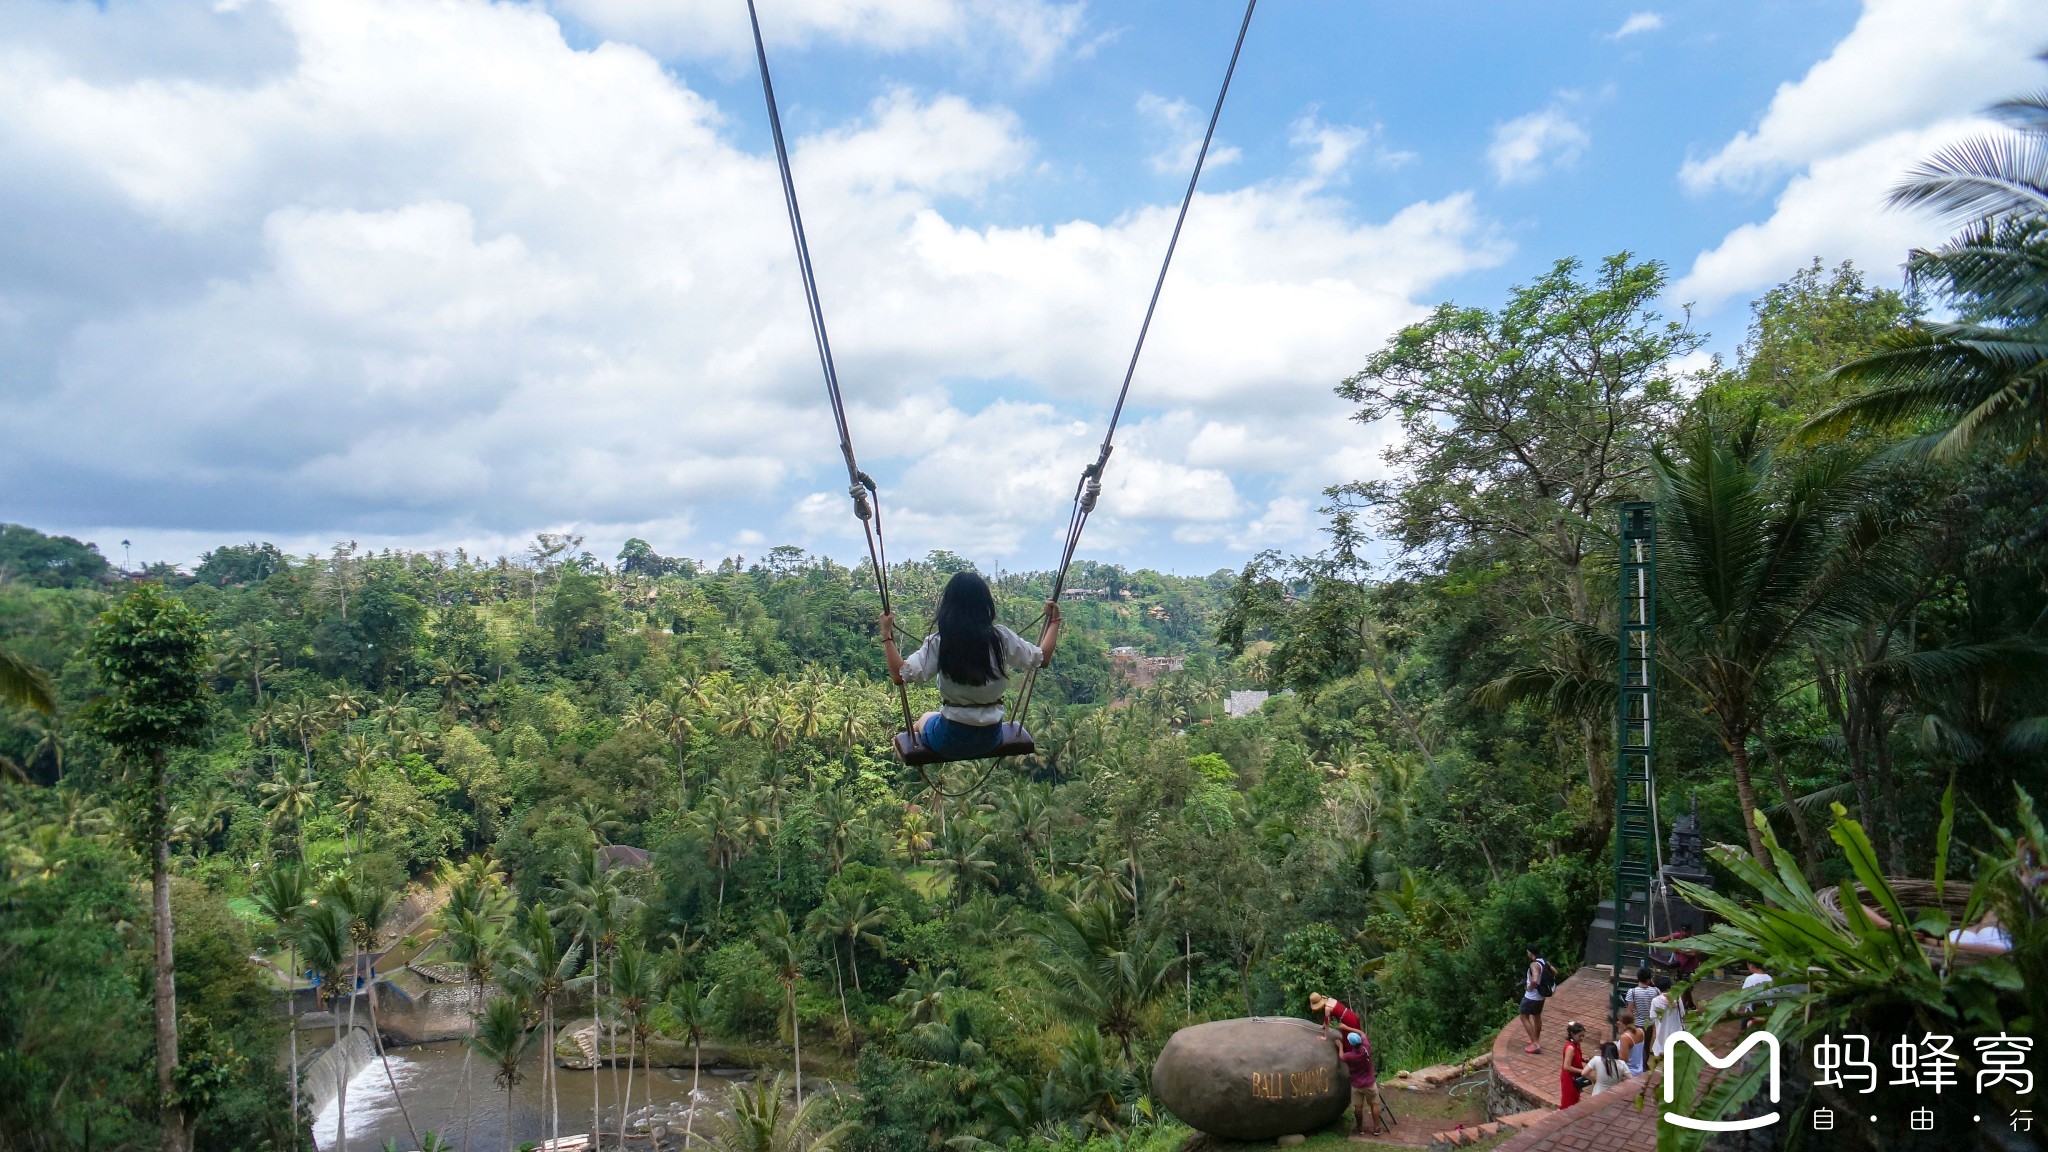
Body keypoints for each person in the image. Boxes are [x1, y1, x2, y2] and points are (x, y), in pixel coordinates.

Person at [883, 572, 1060, 760]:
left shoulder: (940, 642)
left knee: (924, 719)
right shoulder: (1001, 638)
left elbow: (899, 675)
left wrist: (887, 634)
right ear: (985, 605)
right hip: (991, 737)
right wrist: (1055, 622)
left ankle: (905, 741)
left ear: (948, 606)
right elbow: (1042, 658)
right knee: (931, 720)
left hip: (949, 738)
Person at [1333, 1030, 1384, 1137]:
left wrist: (1340, 1046)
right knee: (1375, 1104)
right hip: (1370, 1084)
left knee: (1358, 1107)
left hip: (1357, 1085)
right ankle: (1377, 1128)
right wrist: (1350, 1028)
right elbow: (1363, 1033)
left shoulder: (1350, 1056)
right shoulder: (1367, 1047)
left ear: (1351, 1044)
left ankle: (1359, 1127)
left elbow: (1341, 1057)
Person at [1518, 946, 1554, 1054]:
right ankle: (1536, 1039)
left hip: (1531, 997)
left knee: (1524, 1016)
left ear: (1530, 953)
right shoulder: (1543, 961)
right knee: (1537, 1016)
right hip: (1541, 996)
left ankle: (1535, 1044)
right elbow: (1554, 971)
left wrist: (1530, 988)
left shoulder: (1534, 964)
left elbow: (1534, 979)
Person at [1652, 976, 1684, 1061]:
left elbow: (1652, 1016)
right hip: (1676, 1032)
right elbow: (1682, 1014)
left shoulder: (1655, 1001)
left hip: (1662, 1034)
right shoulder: (1677, 998)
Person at [1559, 1021, 1588, 1109]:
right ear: (1572, 1034)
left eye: (1583, 1035)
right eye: (1580, 1036)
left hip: (1575, 1077)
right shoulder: (1570, 1048)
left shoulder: (1577, 1044)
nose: (1582, 1038)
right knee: (1569, 1102)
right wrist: (1582, 1071)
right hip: (1569, 1078)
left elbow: (1575, 1057)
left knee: (1575, 1099)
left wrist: (1583, 1059)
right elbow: (1566, 1067)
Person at [1740, 961, 1773, 1028]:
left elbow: (1744, 995)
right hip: (1767, 1010)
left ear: (1751, 965)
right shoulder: (1769, 978)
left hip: (1753, 1011)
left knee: (1744, 1028)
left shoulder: (1750, 979)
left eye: (1748, 966)